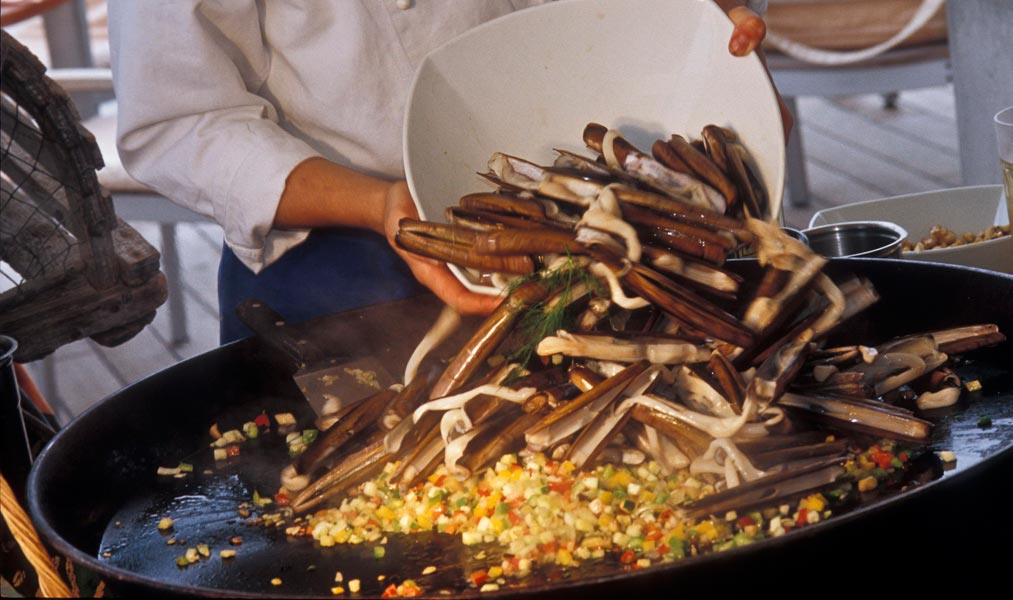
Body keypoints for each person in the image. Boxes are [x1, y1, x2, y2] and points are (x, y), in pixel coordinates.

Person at [108, 0, 783, 344]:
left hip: (586, 223)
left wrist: (693, 36)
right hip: (334, 262)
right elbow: (180, 120)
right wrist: (379, 203)